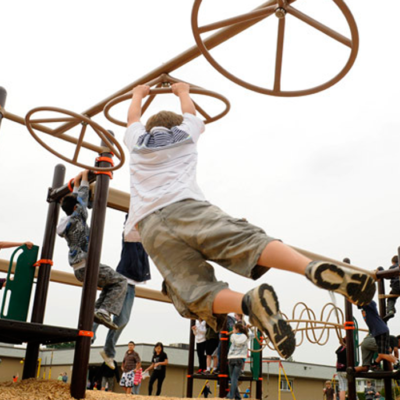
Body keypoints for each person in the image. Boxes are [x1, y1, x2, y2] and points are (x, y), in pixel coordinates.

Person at [123, 82, 376, 360]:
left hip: (150, 228)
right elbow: (190, 113)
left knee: (192, 292)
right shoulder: (186, 133)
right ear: (178, 125)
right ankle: (308, 267)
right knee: (245, 240)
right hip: (186, 205)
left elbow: (132, 117)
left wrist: (138, 94)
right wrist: (182, 91)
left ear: (148, 130)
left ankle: (248, 302)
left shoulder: (136, 141)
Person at [57, 169, 127, 330]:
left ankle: (97, 311)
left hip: (77, 268)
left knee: (110, 284)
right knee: (120, 281)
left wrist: (77, 180)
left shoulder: (66, 222)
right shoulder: (78, 216)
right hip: (87, 264)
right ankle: (103, 310)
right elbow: (81, 196)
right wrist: (84, 175)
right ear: (76, 208)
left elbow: (76, 197)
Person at [93, 214, 151, 370]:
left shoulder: (145, 241)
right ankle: (89, 334)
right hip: (121, 280)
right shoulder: (129, 236)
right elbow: (129, 225)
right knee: (103, 311)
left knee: (122, 319)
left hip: (130, 285)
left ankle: (107, 351)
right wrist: (133, 216)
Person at [355, 301, 397, 373]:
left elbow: (367, 300)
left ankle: (397, 363)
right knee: (383, 353)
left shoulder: (370, 304)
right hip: (379, 332)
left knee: (383, 354)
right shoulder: (365, 308)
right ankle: (376, 365)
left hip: (380, 331)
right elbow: (357, 302)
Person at [226, 323, 249, 400]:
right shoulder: (245, 337)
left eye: (233, 329)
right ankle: (234, 396)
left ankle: (232, 395)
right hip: (239, 358)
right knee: (234, 378)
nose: (232, 330)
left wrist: (235, 332)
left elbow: (233, 340)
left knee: (232, 377)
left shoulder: (232, 336)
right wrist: (248, 328)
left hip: (231, 357)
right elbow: (251, 336)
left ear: (237, 329)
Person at [384, 255, 400, 322]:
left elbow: (386, 276)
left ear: (393, 262)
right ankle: (392, 309)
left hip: (396, 286)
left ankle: (390, 311)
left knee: (391, 298)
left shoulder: (393, 267)